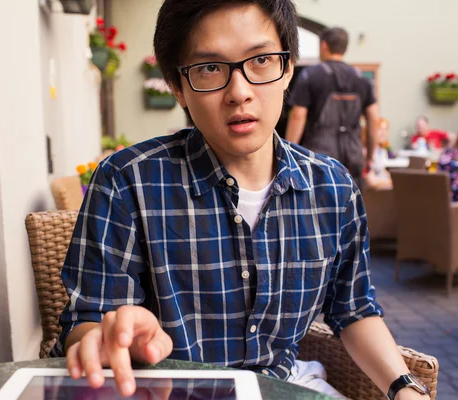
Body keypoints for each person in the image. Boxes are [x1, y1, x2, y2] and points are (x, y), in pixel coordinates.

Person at [52, 2, 430, 400]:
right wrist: (111, 338)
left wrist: (404, 386)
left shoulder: (332, 188)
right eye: (210, 68)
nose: (240, 93)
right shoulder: (127, 181)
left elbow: (353, 310)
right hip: (164, 391)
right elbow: (87, 321)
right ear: (177, 85)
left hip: (285, 386)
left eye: (262, 60)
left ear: (288, 69)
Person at [285, 27, 380, 189]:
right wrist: (370, 156)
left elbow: (297, 117)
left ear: (323, 46)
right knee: (351, 208)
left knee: (319, 210)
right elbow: (373, 120)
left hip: (318, 158)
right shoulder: (362, 79)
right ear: (345, 48)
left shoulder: (310, 75)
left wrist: (287, 154)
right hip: (353, 156)